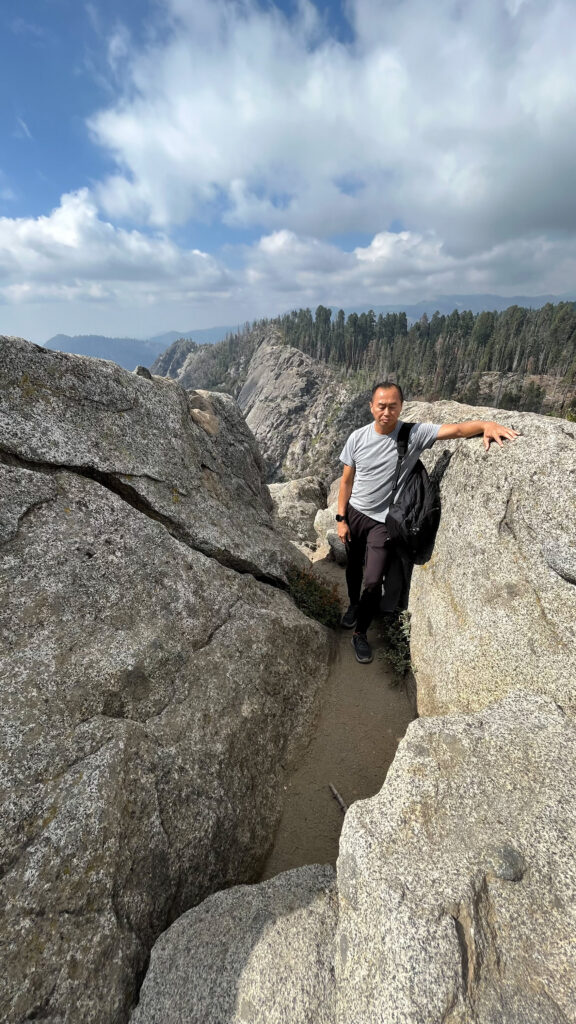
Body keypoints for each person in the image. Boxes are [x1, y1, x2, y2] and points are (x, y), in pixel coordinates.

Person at [337, 381, 519, 663]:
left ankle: (360, 633)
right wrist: (341, 518)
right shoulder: (356, 438)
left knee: (372, 581)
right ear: (371, 406)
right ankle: (354, 606)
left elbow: (456, 430)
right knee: (353, 566)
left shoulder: (412, 434)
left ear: (401, 407)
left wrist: (487, 425)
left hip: (382, 523)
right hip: (355, 514)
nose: (386, 412)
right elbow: (347, 481)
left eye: (393, 406)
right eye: (381, 406)